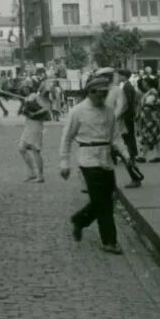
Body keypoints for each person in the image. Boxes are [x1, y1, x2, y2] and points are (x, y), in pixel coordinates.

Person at [59, 71, 134, 255]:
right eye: (99, 93)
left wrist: (126, 156)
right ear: (90, 92)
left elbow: (115, 137)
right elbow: (67, 138)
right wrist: (64, 162)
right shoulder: (77, 112)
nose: (103, 97)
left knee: (105, 199)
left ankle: (80, 220)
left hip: (106, 157)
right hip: (88, 158)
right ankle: (109, 241)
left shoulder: (109, 112)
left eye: (105, 93)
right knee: (104, 203)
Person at [136, 86, 160, 162]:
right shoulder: (153, 93)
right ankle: (159, 155)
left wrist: (147, 120)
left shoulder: (151, 94)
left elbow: (147, 108)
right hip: (155, 118)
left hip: (150, 118)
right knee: (155, 136)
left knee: (147, 136)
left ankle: (143, 156)